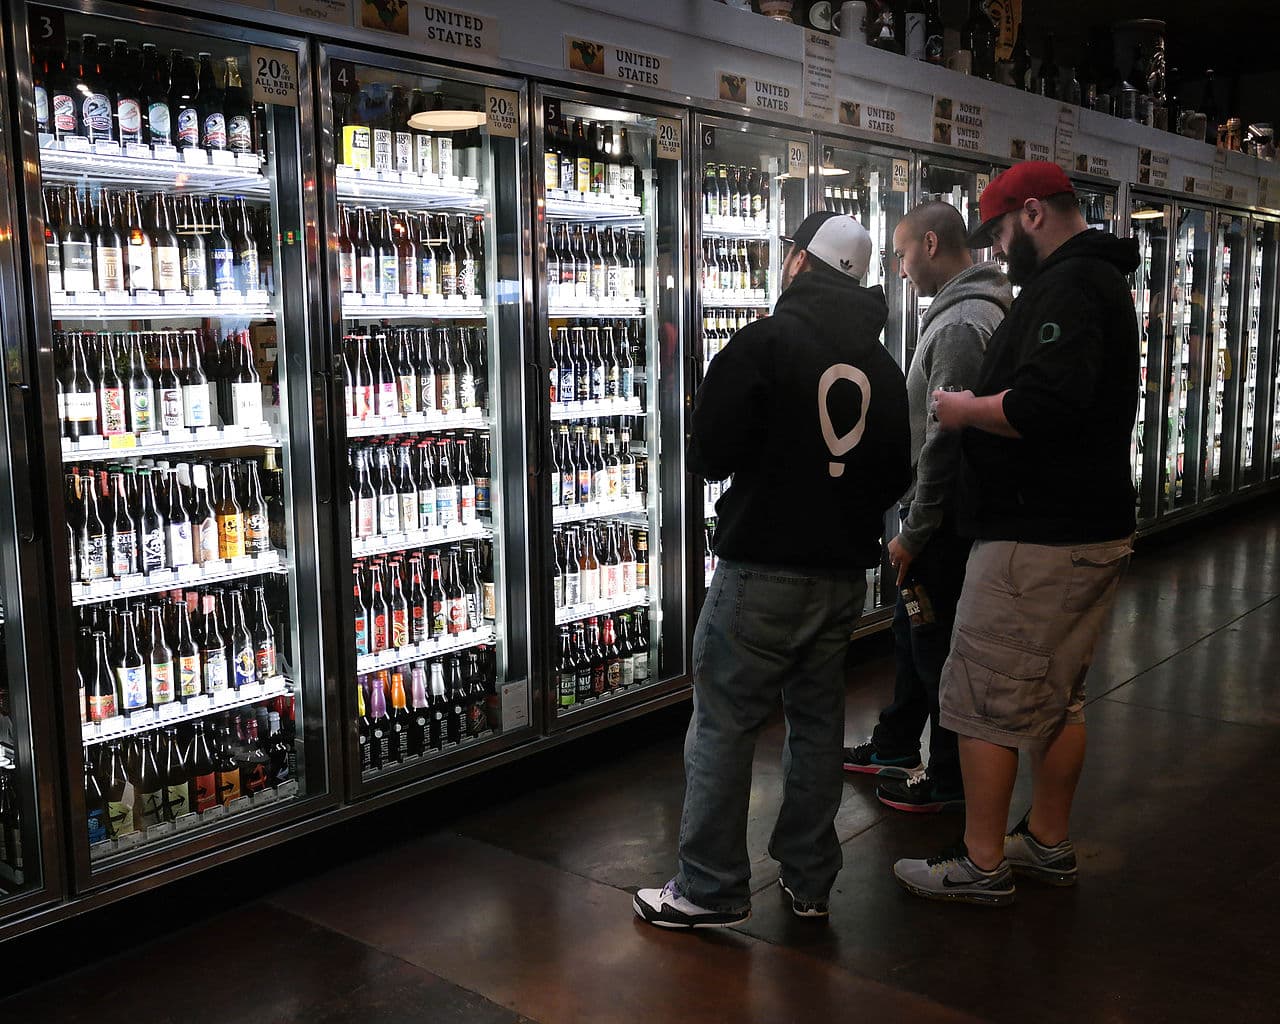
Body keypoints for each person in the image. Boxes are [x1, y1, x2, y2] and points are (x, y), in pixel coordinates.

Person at [634, 212, 911, 927]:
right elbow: (896, 476)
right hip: (845, 573)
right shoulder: (882, 365)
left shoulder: (764, 343)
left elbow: (710, 453)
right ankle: (810, 879)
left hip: (762, 569)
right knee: (816, 722)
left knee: (724, 724)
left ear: (799, 264)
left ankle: (710, 886)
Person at [892, 162, 1139, 905]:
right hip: (1083, 526)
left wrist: (963, 411)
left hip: (1037, 536)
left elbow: (1043, 405)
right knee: (1060, 697)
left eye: (1000, 233)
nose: (999, 251)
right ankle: (1047, 841)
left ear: (1033, 213)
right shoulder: (1097, 281)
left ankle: (981, 862)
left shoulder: (1067, 286)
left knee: (980, 701)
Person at [842, 201, 1011, 813]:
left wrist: (914, 532)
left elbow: (945, 439)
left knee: (934, 644)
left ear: (931, 244)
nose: (898, 265)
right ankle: (894, 741)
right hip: (948, 516)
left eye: (901, 251)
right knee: (912, 631)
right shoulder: (971, 308)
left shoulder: (961, 324)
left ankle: (945, 779)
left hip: (945, 521)